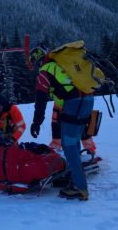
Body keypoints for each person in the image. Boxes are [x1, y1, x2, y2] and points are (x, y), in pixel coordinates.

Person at [29, 45, 94, 201]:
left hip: (73, 104)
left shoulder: (45, 71)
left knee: (68, 144)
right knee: (73, 142)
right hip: (88, 100)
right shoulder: (62, 64)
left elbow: (41, 99)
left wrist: (36, 122)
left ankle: (80, 187)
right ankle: (74, 178)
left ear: (36, 62)